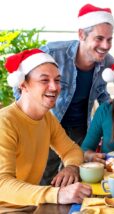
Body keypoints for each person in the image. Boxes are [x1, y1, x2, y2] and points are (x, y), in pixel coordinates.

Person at [13, 4, 114, 185]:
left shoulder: (107, 61)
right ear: (81, 34)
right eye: (99, 38)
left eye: (109, 39)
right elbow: (22, 82)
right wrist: (26, 118)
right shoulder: (53, 53)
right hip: (50, 123)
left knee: (76, 175)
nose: (105, 46)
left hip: (80, 127)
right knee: (45, 176)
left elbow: (101, 94)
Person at [0, 49, 91, 212]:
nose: (54, 87)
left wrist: (71, 167)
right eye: (44, 80)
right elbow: (2, 184)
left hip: (31, 206)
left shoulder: (46, 118)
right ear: (23, 84)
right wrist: (57, 194)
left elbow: (71, 150)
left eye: (57, 80)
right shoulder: (5, 122)